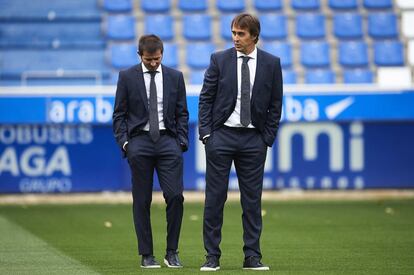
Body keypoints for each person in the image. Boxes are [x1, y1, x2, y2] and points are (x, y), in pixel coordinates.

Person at [198, 13, 283, 271]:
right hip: (221, 136)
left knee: (252, 201)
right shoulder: (219, 59)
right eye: (234, 33)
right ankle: (212, 257)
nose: (236, 38)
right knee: (214, 199)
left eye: (241, 34)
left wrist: (266, 138)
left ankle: (252, 257)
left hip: (253, 140)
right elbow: (206, 98)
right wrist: (207, 134)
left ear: (254, 36)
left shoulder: (271, 63)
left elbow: (276, 104)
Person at [112, 34, 189, 269]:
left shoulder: (175, 77)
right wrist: (126, 144)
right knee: (142, 200)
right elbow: (119, 115)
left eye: (157, 59)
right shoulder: (126, 77)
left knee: (175, 196)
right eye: (148, 60)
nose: (153, 63)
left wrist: (181, 142)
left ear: (162, 54)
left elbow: (182, 113)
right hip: (140, 143)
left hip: (168, 142)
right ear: (139, 56)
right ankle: (146, 254)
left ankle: (171, 252)